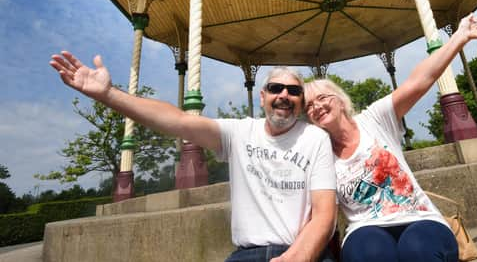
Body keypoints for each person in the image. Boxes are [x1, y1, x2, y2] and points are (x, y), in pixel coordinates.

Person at [49, 54, 337, 262]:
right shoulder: (237, 132)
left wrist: (297, 258)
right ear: (262, 96)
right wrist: (109, 94)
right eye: (276, 88)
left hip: (303, 251)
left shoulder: (315, 139)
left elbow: (325, 213)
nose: (284, 95)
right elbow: (177, 121)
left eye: (294, 91)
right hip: (247, 254)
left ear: (301, 101)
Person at [303, 13, 477, 262]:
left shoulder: (375, 119)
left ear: (340, 100)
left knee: (418, 250)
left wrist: (459, 37)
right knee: (370, 254)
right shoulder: (319, 152)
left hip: (420, 218)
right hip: (364, 228)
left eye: (323, 98)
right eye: (308, 106)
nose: (316, 106)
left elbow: (420, 80)